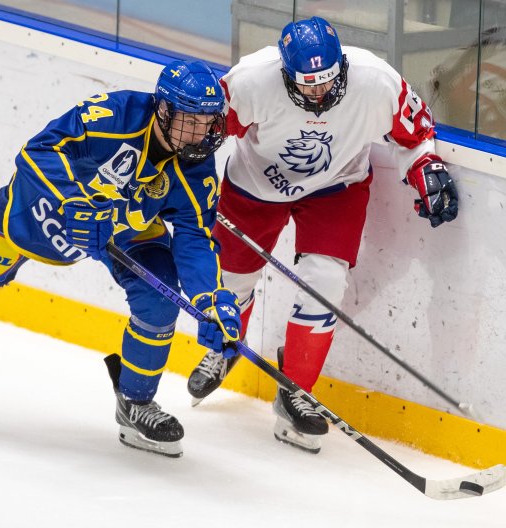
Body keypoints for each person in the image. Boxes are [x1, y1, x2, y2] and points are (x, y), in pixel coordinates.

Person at [0, 60, 241, 458]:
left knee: (160, 297)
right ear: (163, 110)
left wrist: (210, 301)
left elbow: (194, 238)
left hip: (122, 227)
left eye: (209, 123)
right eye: (191, 121)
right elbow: (36, 152)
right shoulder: (113, 117)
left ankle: (135, 402)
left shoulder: (198, 167)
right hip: (41, 213)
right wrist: (76, 199)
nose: (202, 134)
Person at [187, 17, 459, 454]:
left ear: (343, 67)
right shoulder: (251, 80)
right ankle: (225, 346)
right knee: (233, 281)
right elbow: (204, 135)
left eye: (327, 83)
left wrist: (425, 165)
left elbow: (416, 133)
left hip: (337, 188)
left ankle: (296, 389)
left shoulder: (376, 81)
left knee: (326, 280)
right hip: (255, 186)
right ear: (284, 72)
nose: (319, 94)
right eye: (307, 86)